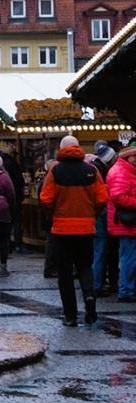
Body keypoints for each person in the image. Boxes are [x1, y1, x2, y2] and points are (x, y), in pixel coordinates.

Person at [39, 134, 108, 326]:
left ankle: (70, 316)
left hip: (62, 229)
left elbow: (45, 199)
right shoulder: (92, 170)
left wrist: (52, 214)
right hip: (86, 228)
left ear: (61, 149)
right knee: (85, 266)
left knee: (65, 272)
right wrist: (91, 213)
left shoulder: (55, 171)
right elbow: (103, 198)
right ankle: (89, 297)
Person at [106, 143, 136, 302]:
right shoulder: (121, 172)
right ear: (127, 156)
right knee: (129, 257)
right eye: (135, 156)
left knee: (129, 257)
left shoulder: (126, 170)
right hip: (126, 222)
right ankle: (126, 291)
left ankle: (128, 288)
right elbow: (118, 196)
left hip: (128, 221)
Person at [92, 141, 119, 296]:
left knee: (100, 253)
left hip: (98, 217)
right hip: (102, 217)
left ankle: (98, 284)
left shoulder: (95, 168)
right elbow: (102, 198)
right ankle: (97, 285)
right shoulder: (100, 171)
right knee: (100, 252)